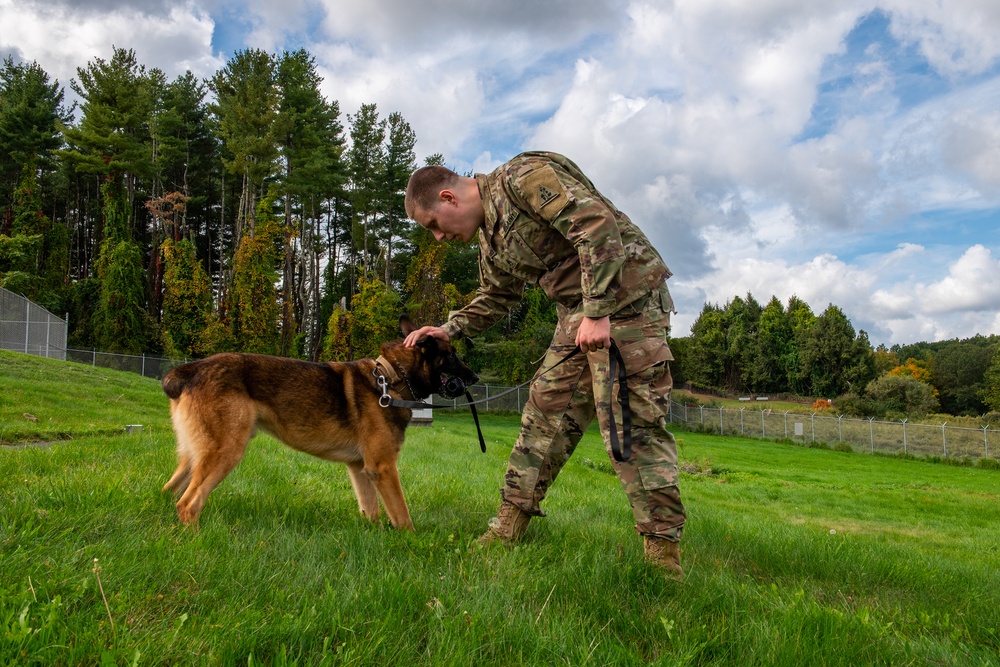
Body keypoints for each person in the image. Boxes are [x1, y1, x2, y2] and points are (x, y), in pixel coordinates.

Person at [402, 151, 685, 577]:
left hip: (628, 302)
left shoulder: (524, 177)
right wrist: (449, 329)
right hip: (581, 315)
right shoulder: (489, 239)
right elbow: (498, 296)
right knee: (544, 414)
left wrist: (597, 309)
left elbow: (595, 224)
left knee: (630, 423)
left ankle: (662, 557)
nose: (439, 239)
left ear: (448, 197)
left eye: (434, 226)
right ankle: (508, 526)